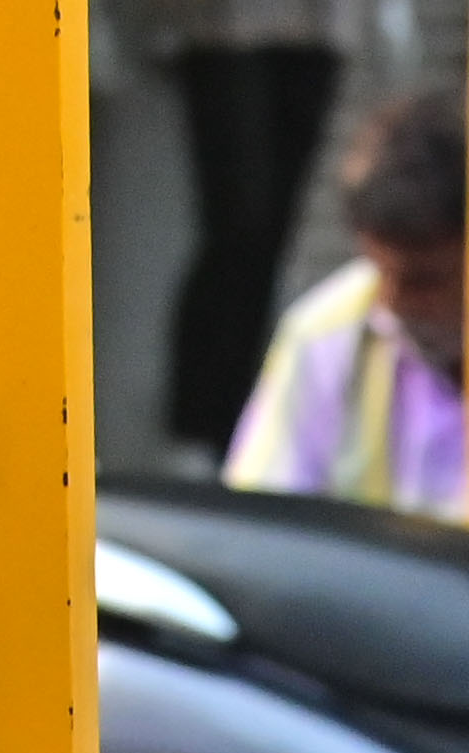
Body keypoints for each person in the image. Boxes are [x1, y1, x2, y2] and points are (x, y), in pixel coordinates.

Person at [226, 90, 469, 519]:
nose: (394, 304)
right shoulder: (324, 330)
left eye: (426, 281)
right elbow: (265, 521)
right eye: (381, 273)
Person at [131, 0, 354, 470]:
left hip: (315, 26)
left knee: (270, 242)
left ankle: (240, 427)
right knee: (239, 231)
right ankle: (200, 425)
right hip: (222, 26)